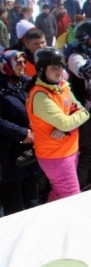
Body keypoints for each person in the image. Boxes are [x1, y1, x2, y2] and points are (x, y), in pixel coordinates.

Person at [27, 47, 90, 202]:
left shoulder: (62, 86)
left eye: (61, 67)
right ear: (42, 70)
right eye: (53, 68)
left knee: (60, 194)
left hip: (68, 150)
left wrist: (67, 128)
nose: (59, 71)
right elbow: (69, 120)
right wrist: (68, 124)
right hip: (55, 156)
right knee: (72, 198)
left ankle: (49, 222)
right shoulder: (40, 96)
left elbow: (80, 112)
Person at [65, 21, 91, 190]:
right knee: (90, 150)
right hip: (86, 111)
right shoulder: (75, 55)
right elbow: (84, 73)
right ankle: (80, 184)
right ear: (88, 39)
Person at [0, 50, 40, 215]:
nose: (23, 65)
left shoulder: (27, 82)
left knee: (33, 195)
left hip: (31, 148)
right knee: (14, 200)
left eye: (24, 62)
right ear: (6, 64)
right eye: (18, 62)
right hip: (9, 150)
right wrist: (22, 133)